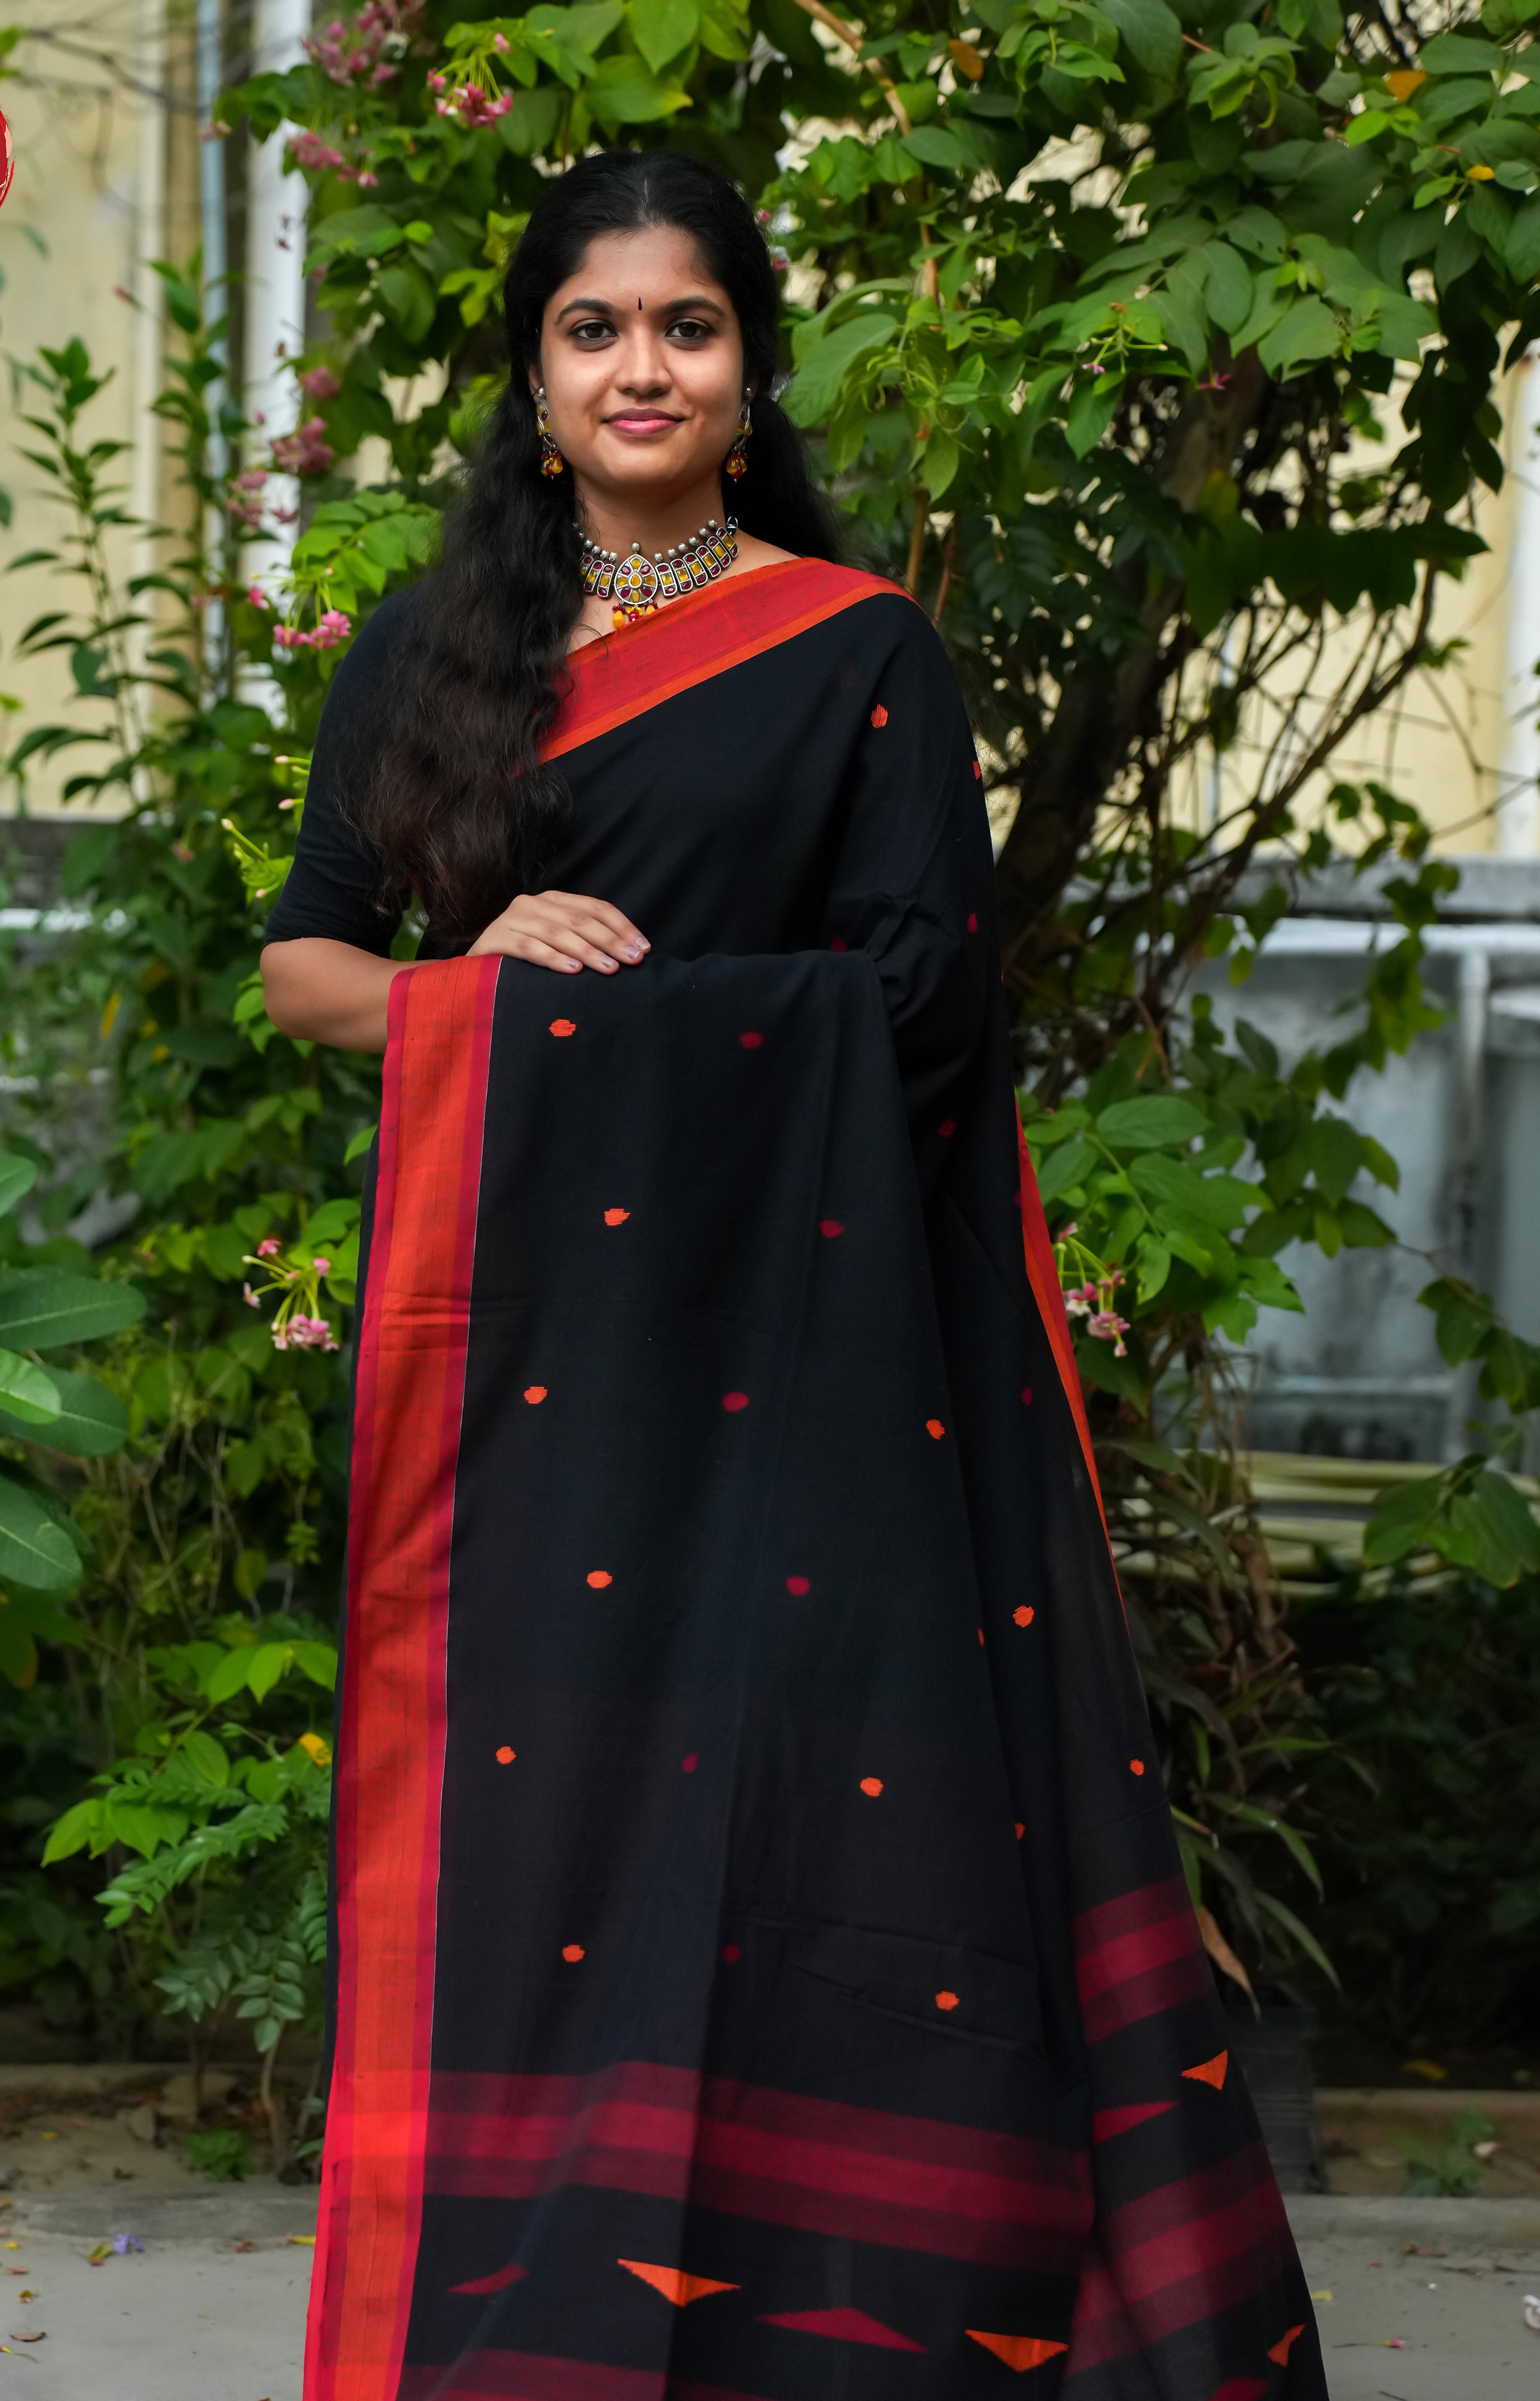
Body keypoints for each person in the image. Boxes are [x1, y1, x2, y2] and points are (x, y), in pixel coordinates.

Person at [263, 147, 1326, 2401]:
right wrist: (484, 989)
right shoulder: (433, 657)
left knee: (811, 1810)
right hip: (537, 1353)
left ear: (747, 375)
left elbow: (925, 1000)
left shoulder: (857, 651)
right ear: (533, 379)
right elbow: (310, 971)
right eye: (593, 329)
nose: (640, 367)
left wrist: (593, 1026)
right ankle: (540, 2317)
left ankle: (861, 2334)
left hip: (812, 1345)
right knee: (549, 1821)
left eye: (687, 327)